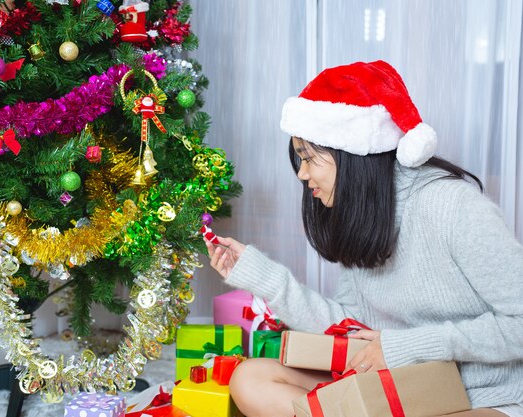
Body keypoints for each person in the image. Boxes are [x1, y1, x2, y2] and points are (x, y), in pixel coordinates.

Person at [204, 60, 523, 417]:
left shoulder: (454, 207)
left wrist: (409, 346)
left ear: (352, 156)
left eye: (310, 158)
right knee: (250, 379)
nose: (302, 173)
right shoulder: (366, 214)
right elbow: (349, 326)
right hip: (396, 386)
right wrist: (263, 278)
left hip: (482, 396)